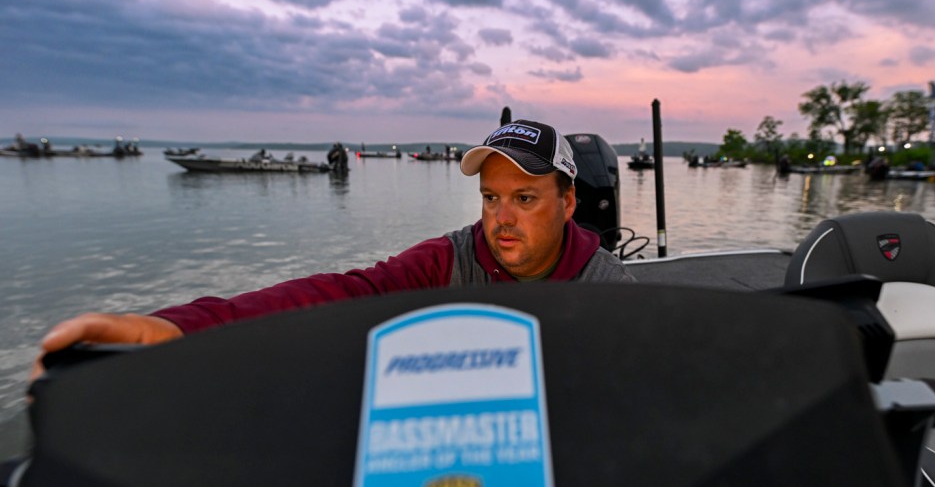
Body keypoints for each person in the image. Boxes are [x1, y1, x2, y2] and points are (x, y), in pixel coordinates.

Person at [33, 119, 635, 378]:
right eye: (490, 198)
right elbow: (342, 295)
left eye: (524, 199)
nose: (501, 219)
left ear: (568, 203)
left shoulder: (610, 290)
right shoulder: (450, 261)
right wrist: (174, 328)